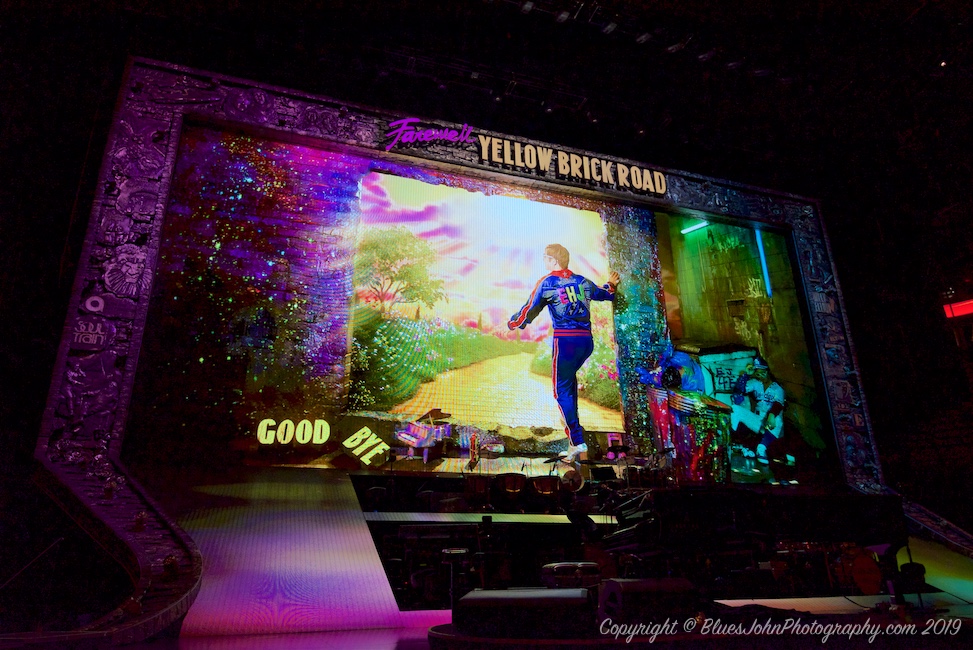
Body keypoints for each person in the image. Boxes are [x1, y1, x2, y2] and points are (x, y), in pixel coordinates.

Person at [508, 244, 619, 463]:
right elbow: (605, 294)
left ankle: (577, 441)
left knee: (561, 392)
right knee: (569, 389)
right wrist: (612, 285)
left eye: (545, 258)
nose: (544, 262)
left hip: (566, 342)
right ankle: (572, 448)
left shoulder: (548, 282)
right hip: (586, 342)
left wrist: (512, 324)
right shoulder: (582, 281)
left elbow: (530, 308)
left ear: (553, 261)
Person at [729, 356, 786, 464]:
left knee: (776, 419)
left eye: (762, 372)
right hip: (758, 420)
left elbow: (778, 405)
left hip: (772, 422)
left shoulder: (777, 388)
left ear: (767, 371)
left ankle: (762, 448)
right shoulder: (756, 383)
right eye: (758, 372)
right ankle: (731, 439)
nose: (760, 375)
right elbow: (739, 389)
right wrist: (746, 374)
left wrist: (771, 415)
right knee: (735, 409)